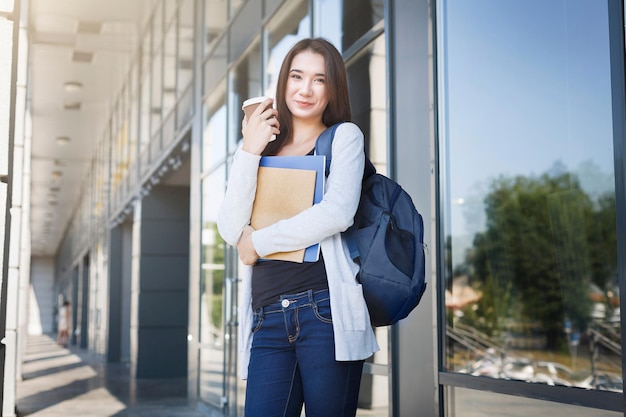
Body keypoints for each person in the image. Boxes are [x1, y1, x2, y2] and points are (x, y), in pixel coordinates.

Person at [217, 38, 379, 417]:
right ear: (283, 83)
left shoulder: (343, 137)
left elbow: (337, 212)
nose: (305, 89)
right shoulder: (265, 148)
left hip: (324, 313)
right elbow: (229, 227)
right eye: (297, 76)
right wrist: (249, 149)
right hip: (267, 316)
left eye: (319, 80)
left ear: (333, 88)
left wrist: (258, 242)